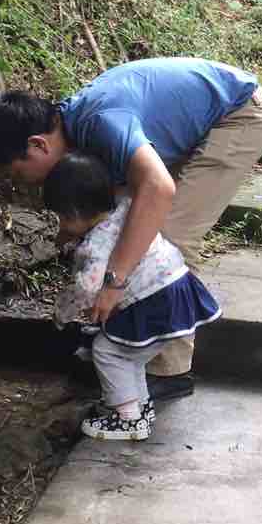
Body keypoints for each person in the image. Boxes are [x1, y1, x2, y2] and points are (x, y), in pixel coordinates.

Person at [0, 56, 262, 395]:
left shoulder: (102, 123)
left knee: (164, 240)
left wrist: (115, 282)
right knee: (133, 234)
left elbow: (157, 188)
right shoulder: (73, 130)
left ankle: (168, 372)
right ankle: (129, 347)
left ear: (38, 144)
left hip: (237, 115)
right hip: (202, 115)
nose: (21, 185)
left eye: (15, 174)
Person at [44, 153, 220, 440]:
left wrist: (61, 313)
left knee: (107, 352)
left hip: (154, 299)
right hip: (177, 287)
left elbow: (87, 287)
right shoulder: (127, 206)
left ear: (74, 212)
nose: (61, 226)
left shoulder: (96, 245)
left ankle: (128, 419)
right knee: (129, 355)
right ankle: (138, 406)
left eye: (62, 218)